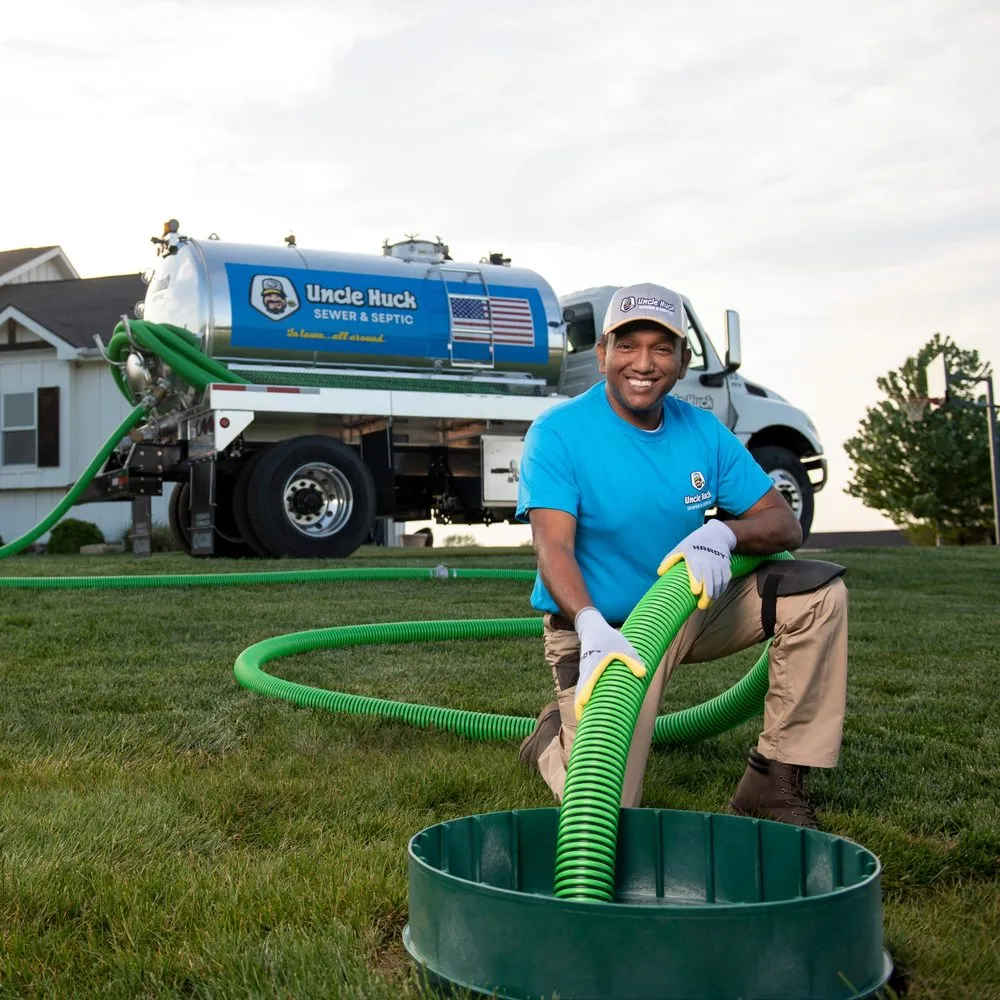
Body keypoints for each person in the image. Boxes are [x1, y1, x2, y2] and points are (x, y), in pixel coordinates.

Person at [516, 282, 848, 828]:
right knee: (607, 807)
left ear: (682, 360)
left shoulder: (702, 431)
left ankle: (773, 780)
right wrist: (590, 622)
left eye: (661, 348)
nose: (643, 363)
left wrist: (723, 535)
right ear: (602, 354)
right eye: (627, 346)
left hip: (688, 611)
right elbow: (553, 547)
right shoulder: (560, 433)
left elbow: (784, 521)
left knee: (818, 594)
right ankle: (555, 738)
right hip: (604, 633)